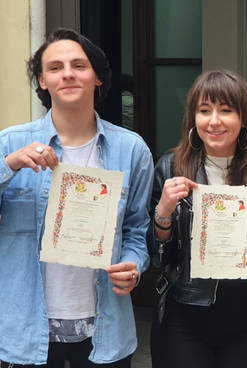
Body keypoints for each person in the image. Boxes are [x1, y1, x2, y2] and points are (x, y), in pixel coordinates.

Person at [0, 28, 153, 367]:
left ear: (98, 77)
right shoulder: (9, 144)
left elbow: (138, 229)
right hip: (26, 332)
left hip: (105, 329)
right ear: (42, 81)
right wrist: (9, 165)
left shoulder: (131, 149)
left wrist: (133, 265)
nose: (67, 73)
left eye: (79, 65)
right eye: (55, 67)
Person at [148, 70, 247, 367]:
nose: (214, 121)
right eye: (204, 111)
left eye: (226, 110)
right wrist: (163, 211)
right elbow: (159, 257)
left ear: (244, 119)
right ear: (193, 119)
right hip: (184, 314)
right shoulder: (169, 168)